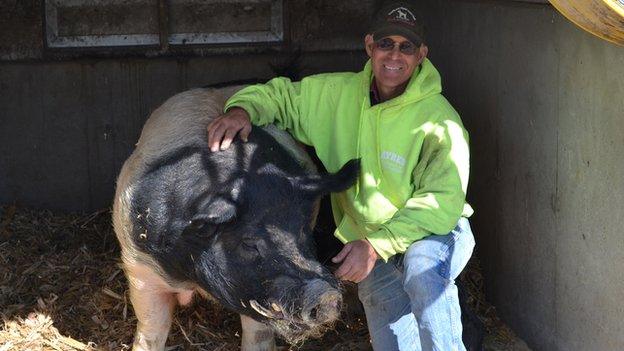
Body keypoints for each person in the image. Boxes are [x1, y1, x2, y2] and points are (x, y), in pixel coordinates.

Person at [207, 2, 475, 350]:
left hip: (433, 234)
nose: (394, 55)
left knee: (423, 273)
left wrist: (376, 246)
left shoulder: (441, 121)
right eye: (385, 44)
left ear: (421, 54)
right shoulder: (337, 95)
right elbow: (281, 96)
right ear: (369, 46)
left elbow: (441, 203)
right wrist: (241, 110)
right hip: (373, 245)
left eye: (406, 46)